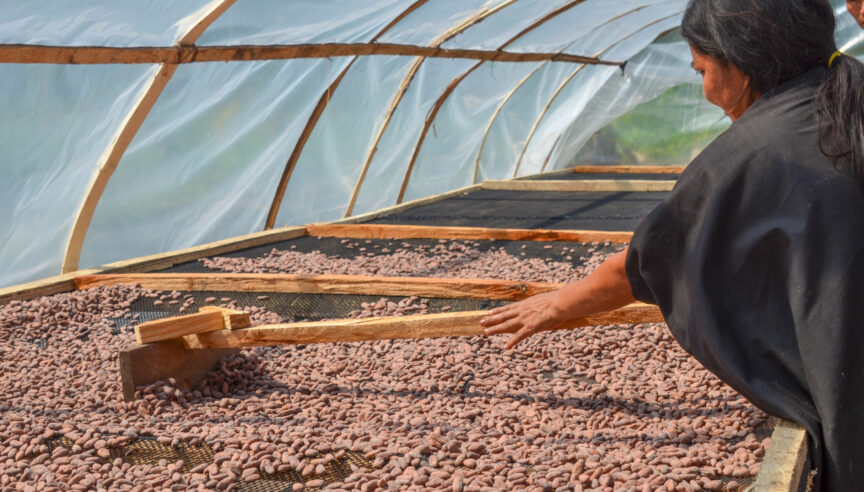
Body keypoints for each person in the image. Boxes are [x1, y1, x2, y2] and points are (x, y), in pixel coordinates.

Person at [481, 0, 864, 489]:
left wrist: (556, 304)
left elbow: (653, 259)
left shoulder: (755, 153)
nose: (704, 89)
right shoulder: (845, 96)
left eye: (702, 69)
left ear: (741, 62)